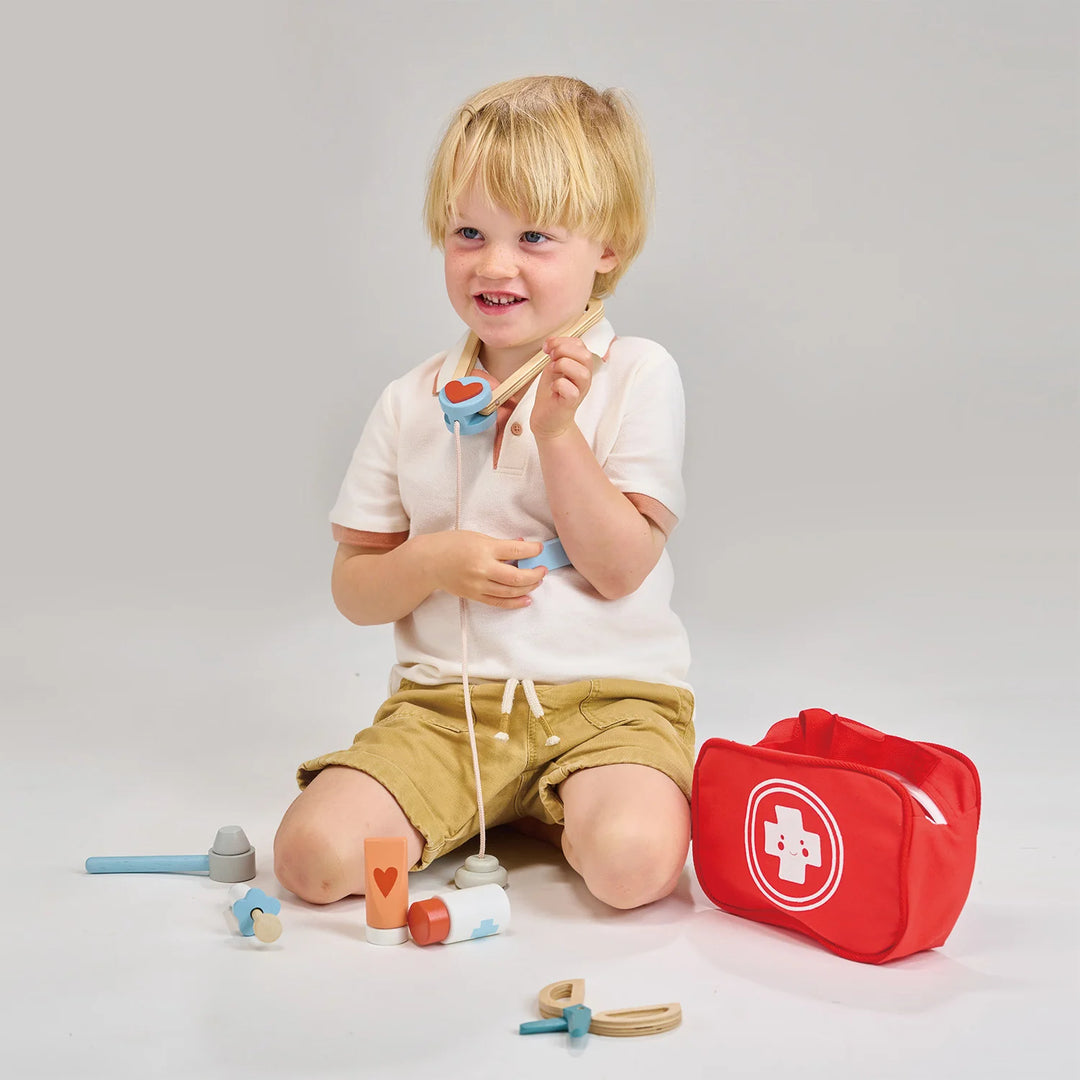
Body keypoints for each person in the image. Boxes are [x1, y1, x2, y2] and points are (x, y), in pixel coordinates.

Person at [274, 75, 694, 910]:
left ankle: (563, 802)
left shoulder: (639, 373)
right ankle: (491, 797)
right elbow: (355, 589)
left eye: (534, 236)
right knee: (309, 859)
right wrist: (430, 561)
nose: (494, 265)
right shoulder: (410, 398)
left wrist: (558, 434)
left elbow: (619, 570)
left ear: (606, 246)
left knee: (632, 866)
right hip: (448, 710)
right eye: (469, 233)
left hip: (612, 706)